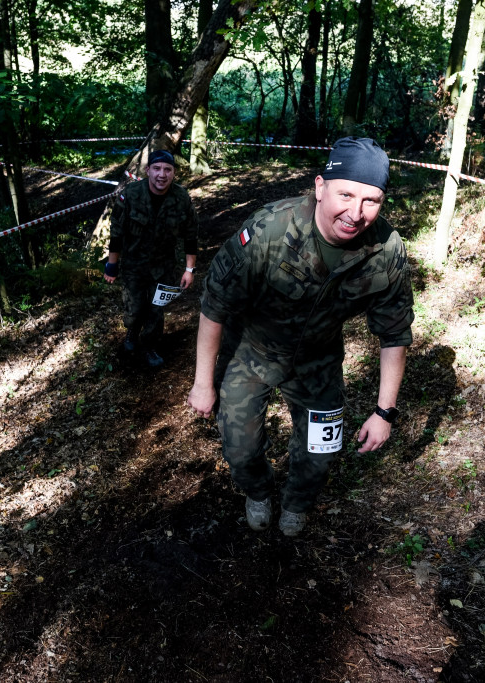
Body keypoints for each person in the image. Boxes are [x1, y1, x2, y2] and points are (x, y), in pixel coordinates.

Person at [186, 137, 414, 537]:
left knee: (320, 454)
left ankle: (296, 505)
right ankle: (258, 492)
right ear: (321, 186)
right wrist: (203, 382)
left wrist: (384, 412)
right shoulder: (268, 229)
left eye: (371, 201)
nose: (355, 213)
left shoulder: (385, 248)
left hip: (318, 362)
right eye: (346, 194)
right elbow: (214, 305)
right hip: (251, 351)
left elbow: (394, 334)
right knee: (239, 448)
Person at [104, 149, 199, 368]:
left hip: (163, 266)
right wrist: (112, 263)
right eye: (156, 168)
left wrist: (190, 269)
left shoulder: (181, 197)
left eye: (168, 169)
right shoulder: (130, 194)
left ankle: (150, 346)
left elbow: (191, 234)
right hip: (133, 265)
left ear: (174, 173)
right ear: (148, 171)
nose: (162, 174)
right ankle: (132, 331)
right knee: (134, 308)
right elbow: (117, 232)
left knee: (156, 310)